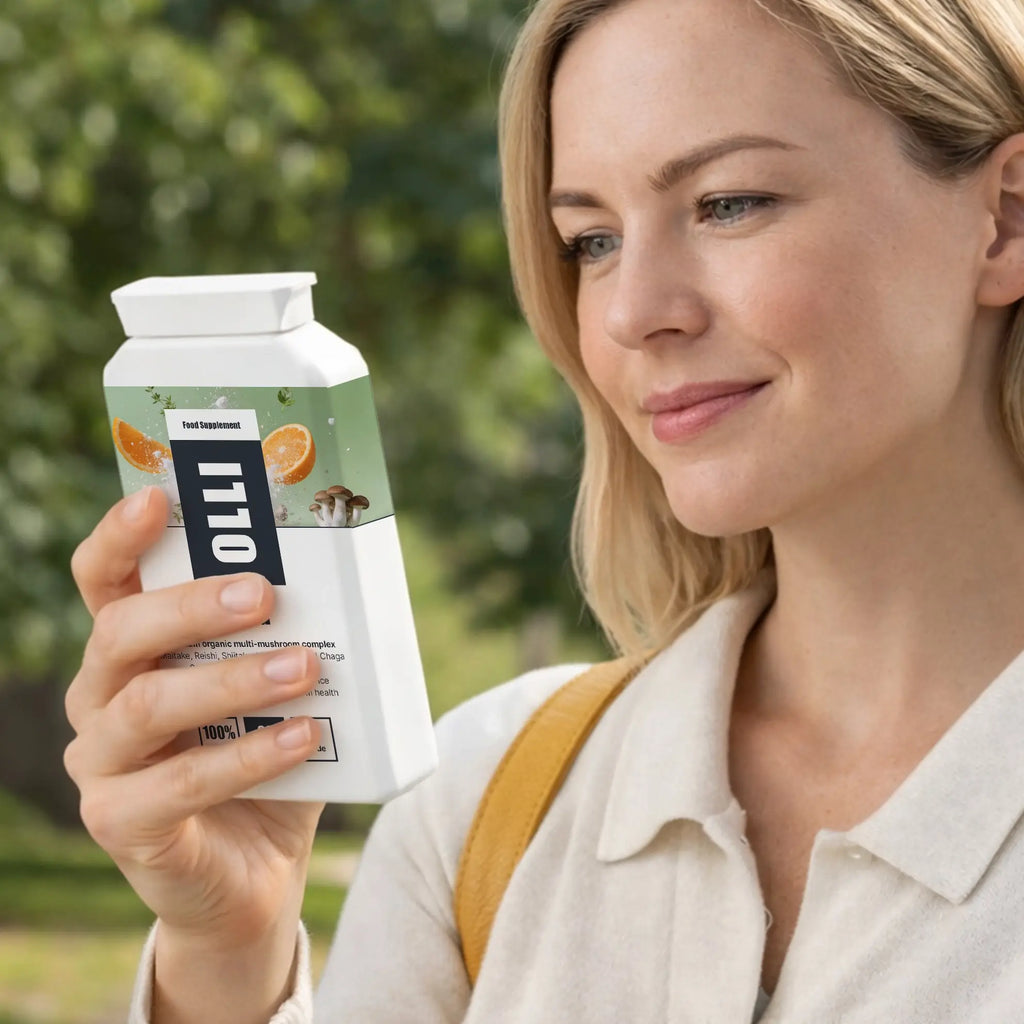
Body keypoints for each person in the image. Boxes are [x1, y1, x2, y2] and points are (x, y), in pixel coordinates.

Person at [64, 0, 1024, 1019]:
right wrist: (228, 953)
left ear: (1003, 216)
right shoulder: (486, 799)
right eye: (592, 240)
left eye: (728, 203)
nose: (630, 311)